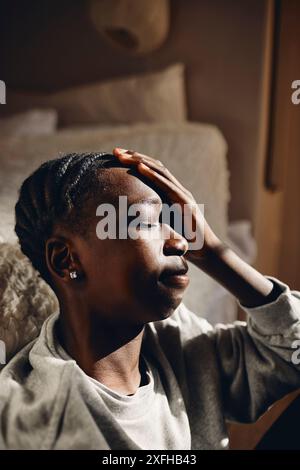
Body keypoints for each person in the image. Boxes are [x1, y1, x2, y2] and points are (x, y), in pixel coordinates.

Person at [0, 148, 299, 450]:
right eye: (146, 222)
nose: (181, 241)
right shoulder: (37, 419)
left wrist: (213, 252)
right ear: (66, 260)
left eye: (174, 222)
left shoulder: (176, 343)